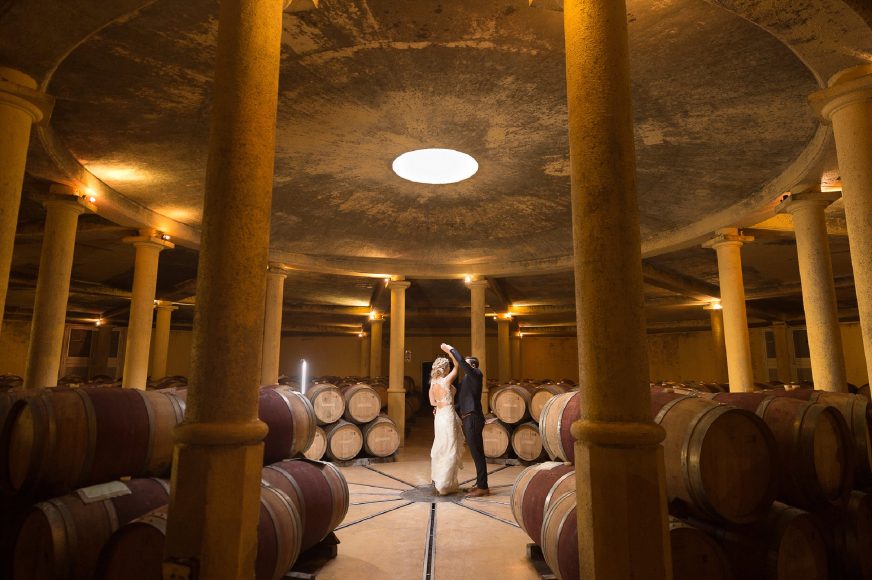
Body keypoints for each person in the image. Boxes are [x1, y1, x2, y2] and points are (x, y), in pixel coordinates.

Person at [441, 343, 489, 497]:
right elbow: (462, 402)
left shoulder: (476, 374)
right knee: (475, 453)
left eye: (467, 364)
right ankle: (480, 484)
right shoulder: (468, 380)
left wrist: (450, 349)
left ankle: (483, 487)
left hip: (473, 418)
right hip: (468, 418)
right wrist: (444, 408)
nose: (464, 366)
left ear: (473, 365)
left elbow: (461, 362)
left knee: (477, 453)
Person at [429, 356, 463, 495]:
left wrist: (439, 405)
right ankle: (444, 484)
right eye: (448, 366)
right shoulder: (446, 380)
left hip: (439, 415)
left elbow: (432, 402)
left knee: (441, 446)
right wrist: (449, 351)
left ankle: (439, 480)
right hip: (448, 415)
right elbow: (457, 366)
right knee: (450, 447)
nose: (450, 367)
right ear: (445, 368)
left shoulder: (433, 382)